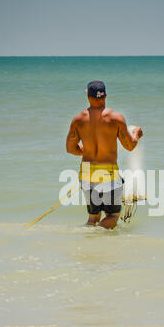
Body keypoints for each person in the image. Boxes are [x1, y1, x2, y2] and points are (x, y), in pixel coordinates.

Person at [66, 80, 143, 229]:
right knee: (112, 216)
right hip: (108, 173)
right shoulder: (116, 118)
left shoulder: (78, 120)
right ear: (105, 95)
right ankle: (96, 238)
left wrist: (87, 150)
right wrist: (137, 135)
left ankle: (89, 242)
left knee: (93, 217)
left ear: (88, 95)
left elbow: (70, 148)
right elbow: (129, 146)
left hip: (87, 172)